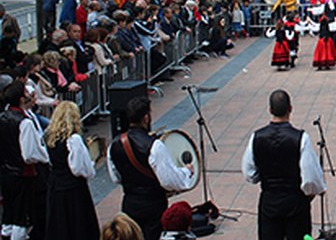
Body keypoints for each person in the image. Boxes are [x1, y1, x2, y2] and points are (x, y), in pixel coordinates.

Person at [241, 89, 326, 240]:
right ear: (290, 109)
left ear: (270, 110)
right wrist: (313, 192)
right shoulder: (301, 138)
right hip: (295, 203)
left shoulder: (256, 137)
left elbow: (249, 172)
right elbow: (310, 177)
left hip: (269, 201)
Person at [107, 97, 195, 240]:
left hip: (129, 203)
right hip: (153, 207)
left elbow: (115, 177)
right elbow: (169, 181)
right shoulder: (154, 146)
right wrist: (186, 171)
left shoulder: (114, 144)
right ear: (146, 118)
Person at [0, 81, 50, 240]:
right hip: (23, 174)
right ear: (21, 99)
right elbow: (30, 154)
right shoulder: (24, 123)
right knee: (23, 217)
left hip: (7, 172)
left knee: (11, 213)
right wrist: (46, 157)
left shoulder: (3, 117)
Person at [44, 101, 100, 240]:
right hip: (73, 190)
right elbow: (79, 168)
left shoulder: (49, 138)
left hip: (56, 186)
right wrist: (90, 166)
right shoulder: (73, 140)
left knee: (61, 227)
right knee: (78, 227)